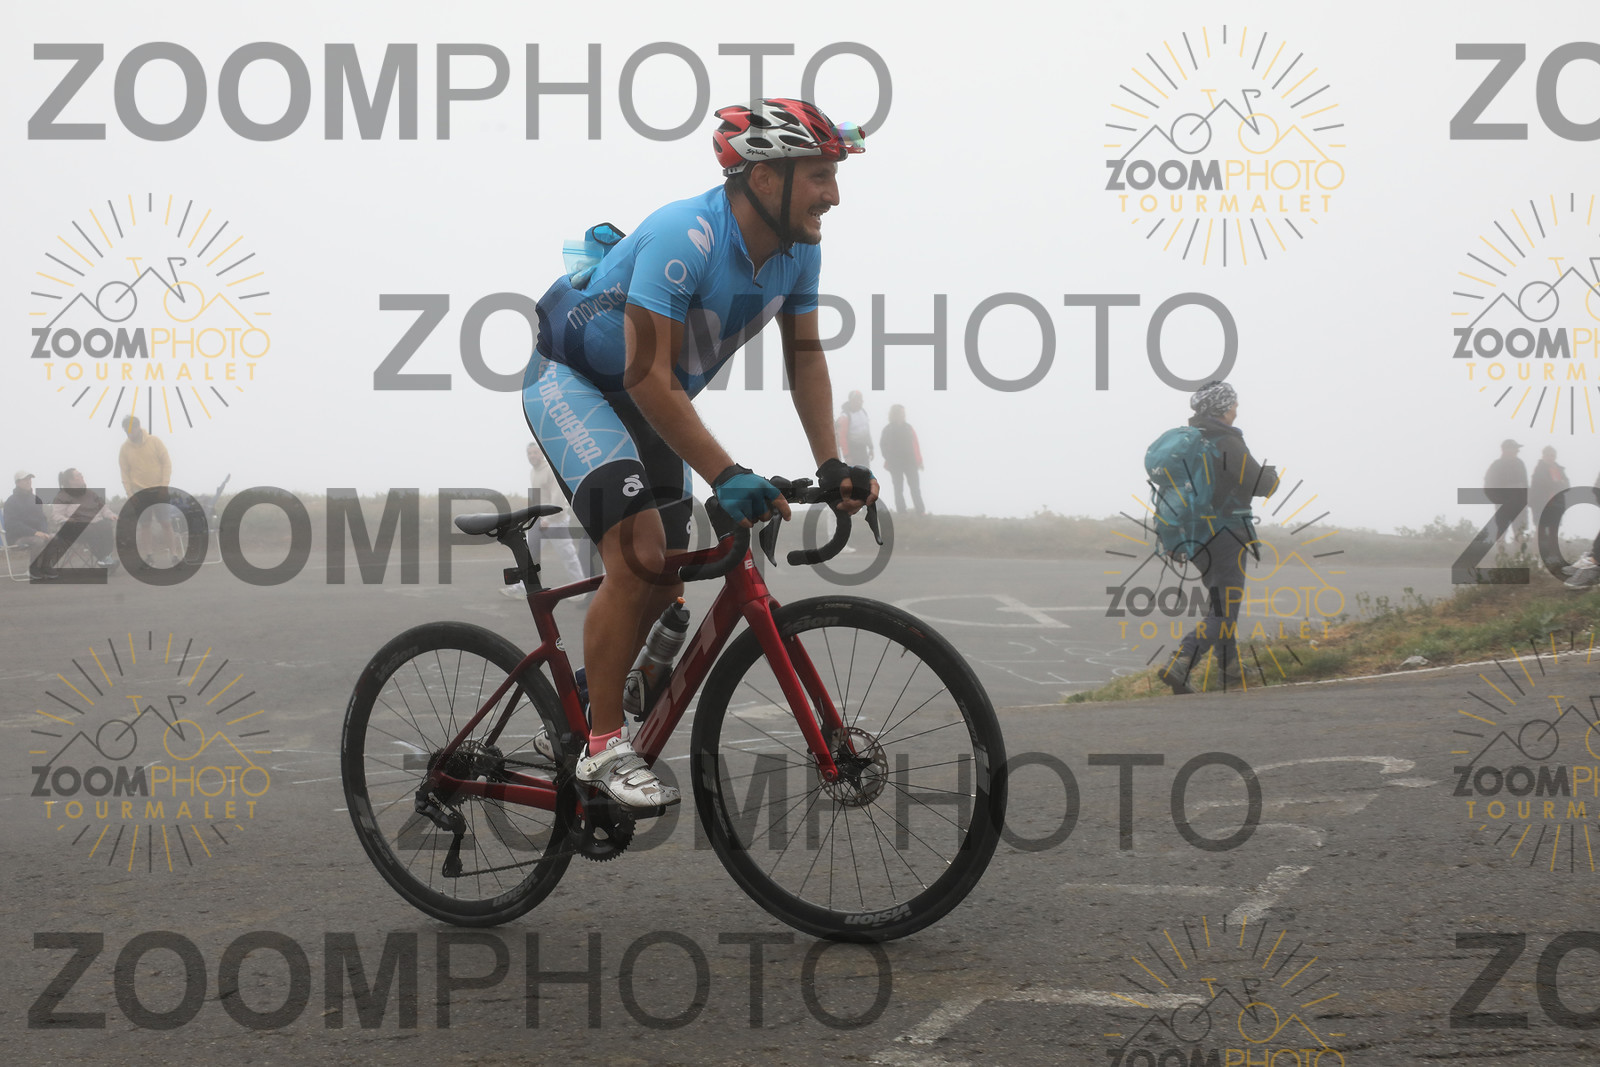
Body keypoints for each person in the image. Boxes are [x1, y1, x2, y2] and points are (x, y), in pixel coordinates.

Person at [520, 98, 875, 808]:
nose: (833, 196)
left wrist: (831, 463)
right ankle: (602, 750)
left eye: (834, 177)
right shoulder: (686, 234)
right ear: (766, 177)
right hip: (578, 382)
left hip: (651, 398)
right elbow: (645, 376)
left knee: (666, 580)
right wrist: (726, 473)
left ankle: (585, 700)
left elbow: (805, 357)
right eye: (819, 176)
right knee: (639, 555)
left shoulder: (799, 250)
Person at [1156, 381, 1278, 695]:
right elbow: (1259, 484)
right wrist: (1272, 475)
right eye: (1233, 404)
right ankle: (1182, 661)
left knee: (1220, 605)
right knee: (1225, 610)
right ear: (1222, 408)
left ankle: (1230, 670)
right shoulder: (1227, 442)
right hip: (1226, 534)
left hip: (1196, 536)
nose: (1236, 409)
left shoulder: (1191, 441)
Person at [501, 441, 590, 598]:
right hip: (539, 521)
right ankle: (521, 588)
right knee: (526, 553)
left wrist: (548, 518)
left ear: (541, 453)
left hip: (556, 521)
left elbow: (557, 496)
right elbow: (536, 497)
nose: (532, 456)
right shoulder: (533, 472)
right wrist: (532, 517)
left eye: (535, 452)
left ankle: (581, 591)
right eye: (529, 453)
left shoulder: (550, 470)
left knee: (568, 556)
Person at [118, 416, 175, 564]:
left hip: (159, 489)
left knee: (166, 523)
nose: (129, 434)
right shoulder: (124, 449)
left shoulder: (154, 441)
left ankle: (174, 554)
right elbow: (124, 473)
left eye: (131, 430)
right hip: (139, 492)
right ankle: (149, 556)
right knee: (145, 525)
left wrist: (164, 485)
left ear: (138, 427)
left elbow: (166, 463)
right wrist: (130, 494)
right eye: (126, 431)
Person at [51, 467, 119, 567]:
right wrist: (68, 520)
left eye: (81, 474)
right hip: (75, 529)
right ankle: (102, 558)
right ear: (71, 481)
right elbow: (56, 515)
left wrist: (110, 515)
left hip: (94, 524)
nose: (82, 476)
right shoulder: (62, 496)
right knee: (89, 529)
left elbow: (103, 508)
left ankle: (107, 557)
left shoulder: (90, 493)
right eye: (78, 475)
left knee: (106, 525)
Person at [4, 470, 56, 580]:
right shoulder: (11, 502)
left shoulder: (35, 499)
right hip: (17, 538)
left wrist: (44, 532)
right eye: (25, 480)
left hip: (36, 534)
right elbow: (12, 524)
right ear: (17, 483)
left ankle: (45, 567)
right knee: (38, 540)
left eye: (29, 479)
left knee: (54, 538)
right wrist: (34, 532)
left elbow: (42, 519)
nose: (28, 482)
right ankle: (33, 568)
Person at [879, 404, 925, 515]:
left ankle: (921, 511)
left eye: (904, 413)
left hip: (910, 462)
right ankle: (902, 511)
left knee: (915, 487)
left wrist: (919, 461)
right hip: (895, 464)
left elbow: (915, 445)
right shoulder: (888, 429)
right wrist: (889, 458)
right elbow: (883, 445)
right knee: (898, 488)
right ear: (895, 414)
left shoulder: (908, 428)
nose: (904, 415)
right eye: (902, 413)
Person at [1530, 445, 1570, 568]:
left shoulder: (1559, 469)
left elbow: (1567, 485)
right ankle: (1536, 557)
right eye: (1548, 455)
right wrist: (1559, 484)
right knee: (1540, 531)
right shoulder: (1539, 469)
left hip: (1556, 504)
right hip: (1541, 504)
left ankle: (1551, 558)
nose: (1550, 457)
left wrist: (1557, 484)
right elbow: (1545, 483)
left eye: (1552, 455)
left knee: (1553, 531)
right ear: (1543, 456)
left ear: (1555, 456)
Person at [1483, 439, 1529, 544]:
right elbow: (1488, 487)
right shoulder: (1496, 465)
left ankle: (1520, 554)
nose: (1517, 451)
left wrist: (1526, 501)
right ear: (1505, 450)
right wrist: (1499, 500)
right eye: (1514, 448)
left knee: (1520, 532)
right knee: (1502, 531)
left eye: (1517, 449)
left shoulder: (1520, 463)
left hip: (1520, 504)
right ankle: (1501, 553)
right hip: (1503, 506)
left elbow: (1525, 485)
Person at [836, 390, 873, 467]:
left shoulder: (863, 412)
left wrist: (871, 447)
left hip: (863, 449)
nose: (860, 402)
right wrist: (846, 455)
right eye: (857, 399)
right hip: (852, 451)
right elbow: (842, 437)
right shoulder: (845, 416)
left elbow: (867, 431)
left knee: (866, 472)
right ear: (851, 401)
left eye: (861, 399)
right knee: (856, 473)